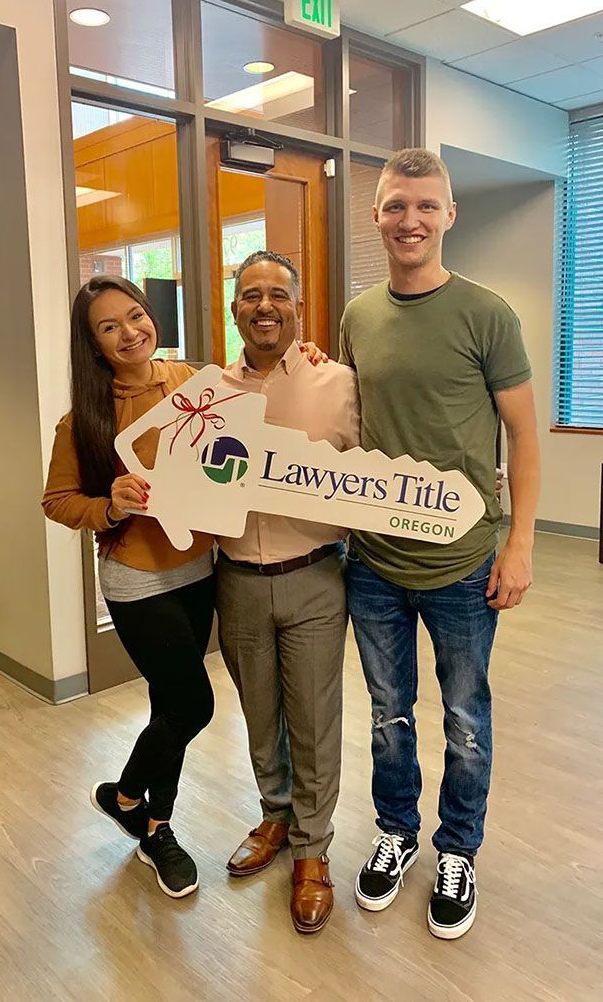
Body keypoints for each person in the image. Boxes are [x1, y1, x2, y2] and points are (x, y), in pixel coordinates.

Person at [340, 148, 540, 939]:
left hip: (463, 562)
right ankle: (396, 832)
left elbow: (523, 436)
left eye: (426, 206)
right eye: (395, 206)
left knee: (464, 716)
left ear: (449, 215)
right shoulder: (359, 315)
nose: (410, 220)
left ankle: (458, 847)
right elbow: (349, 419)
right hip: (375, 564)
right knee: (390, 714)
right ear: (378, 216)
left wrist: (519, 543)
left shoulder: (487, 313)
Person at [42, 275, 216, 900]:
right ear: (92, 345)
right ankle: (126, 797)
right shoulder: (83, 420)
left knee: (168, 707)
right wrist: (110, 508)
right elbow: (57, 500)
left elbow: (245, 432)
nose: (129, 332)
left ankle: (153, 826)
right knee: (194, 706)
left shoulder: (193, 381)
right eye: (108, 327)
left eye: (135, 316)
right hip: (137, 579)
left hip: (200, 568)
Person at [215, 250, 360, 934]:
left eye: (278, 293)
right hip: (237, 581)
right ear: (234, 308)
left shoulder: (339, 382)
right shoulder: (209, 392)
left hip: (314, 576)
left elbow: (375, 475)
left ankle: (312, 850)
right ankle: (275, 816)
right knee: (259, 713)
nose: (264, 305)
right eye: (251, 295)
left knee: (314, 720)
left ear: (299, 307)